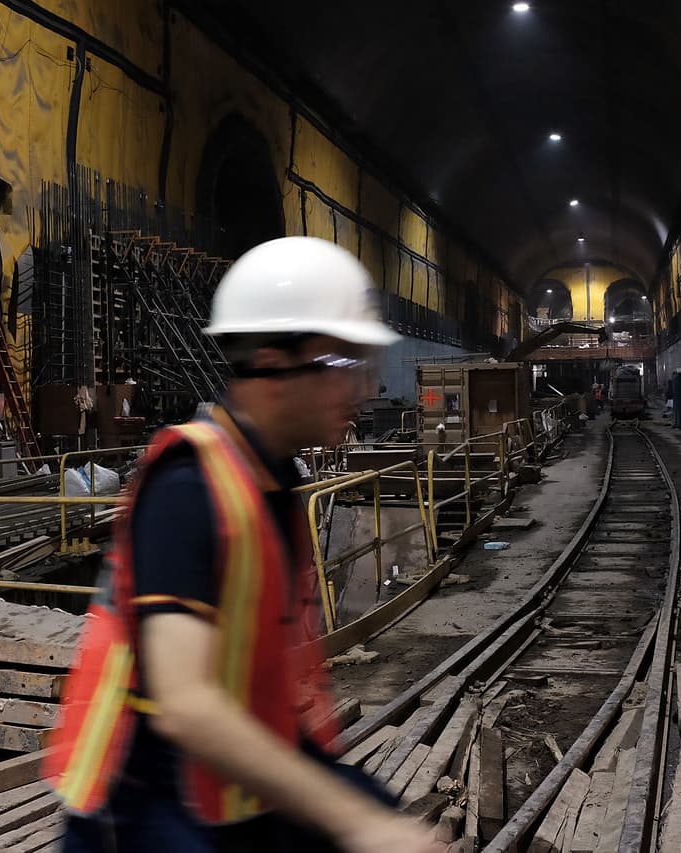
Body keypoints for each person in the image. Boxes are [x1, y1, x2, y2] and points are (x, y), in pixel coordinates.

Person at [48, 237, 444, 853]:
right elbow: (185, 702)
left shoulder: (274, 483)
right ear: (271, 365)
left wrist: (361, 808)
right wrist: (354, 820)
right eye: (343, 366)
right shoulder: (190, 485)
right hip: (136, 806)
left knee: (372, 804)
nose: (362, 389)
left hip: (224, 785)